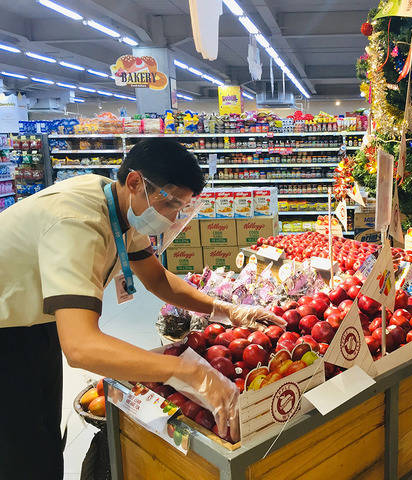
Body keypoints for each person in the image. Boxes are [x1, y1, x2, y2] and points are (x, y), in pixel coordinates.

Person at [0, 138, 284, 479]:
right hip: (8, 330)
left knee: (42, 433)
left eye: (182, 207)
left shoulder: (115, 203)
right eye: (171, 203)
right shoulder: (77, 222)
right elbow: (80, 346)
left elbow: (159, 280)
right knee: (20, 449)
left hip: (33, 321)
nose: (173, 216)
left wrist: (225, 309)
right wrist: (186, 371)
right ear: (136, 182)